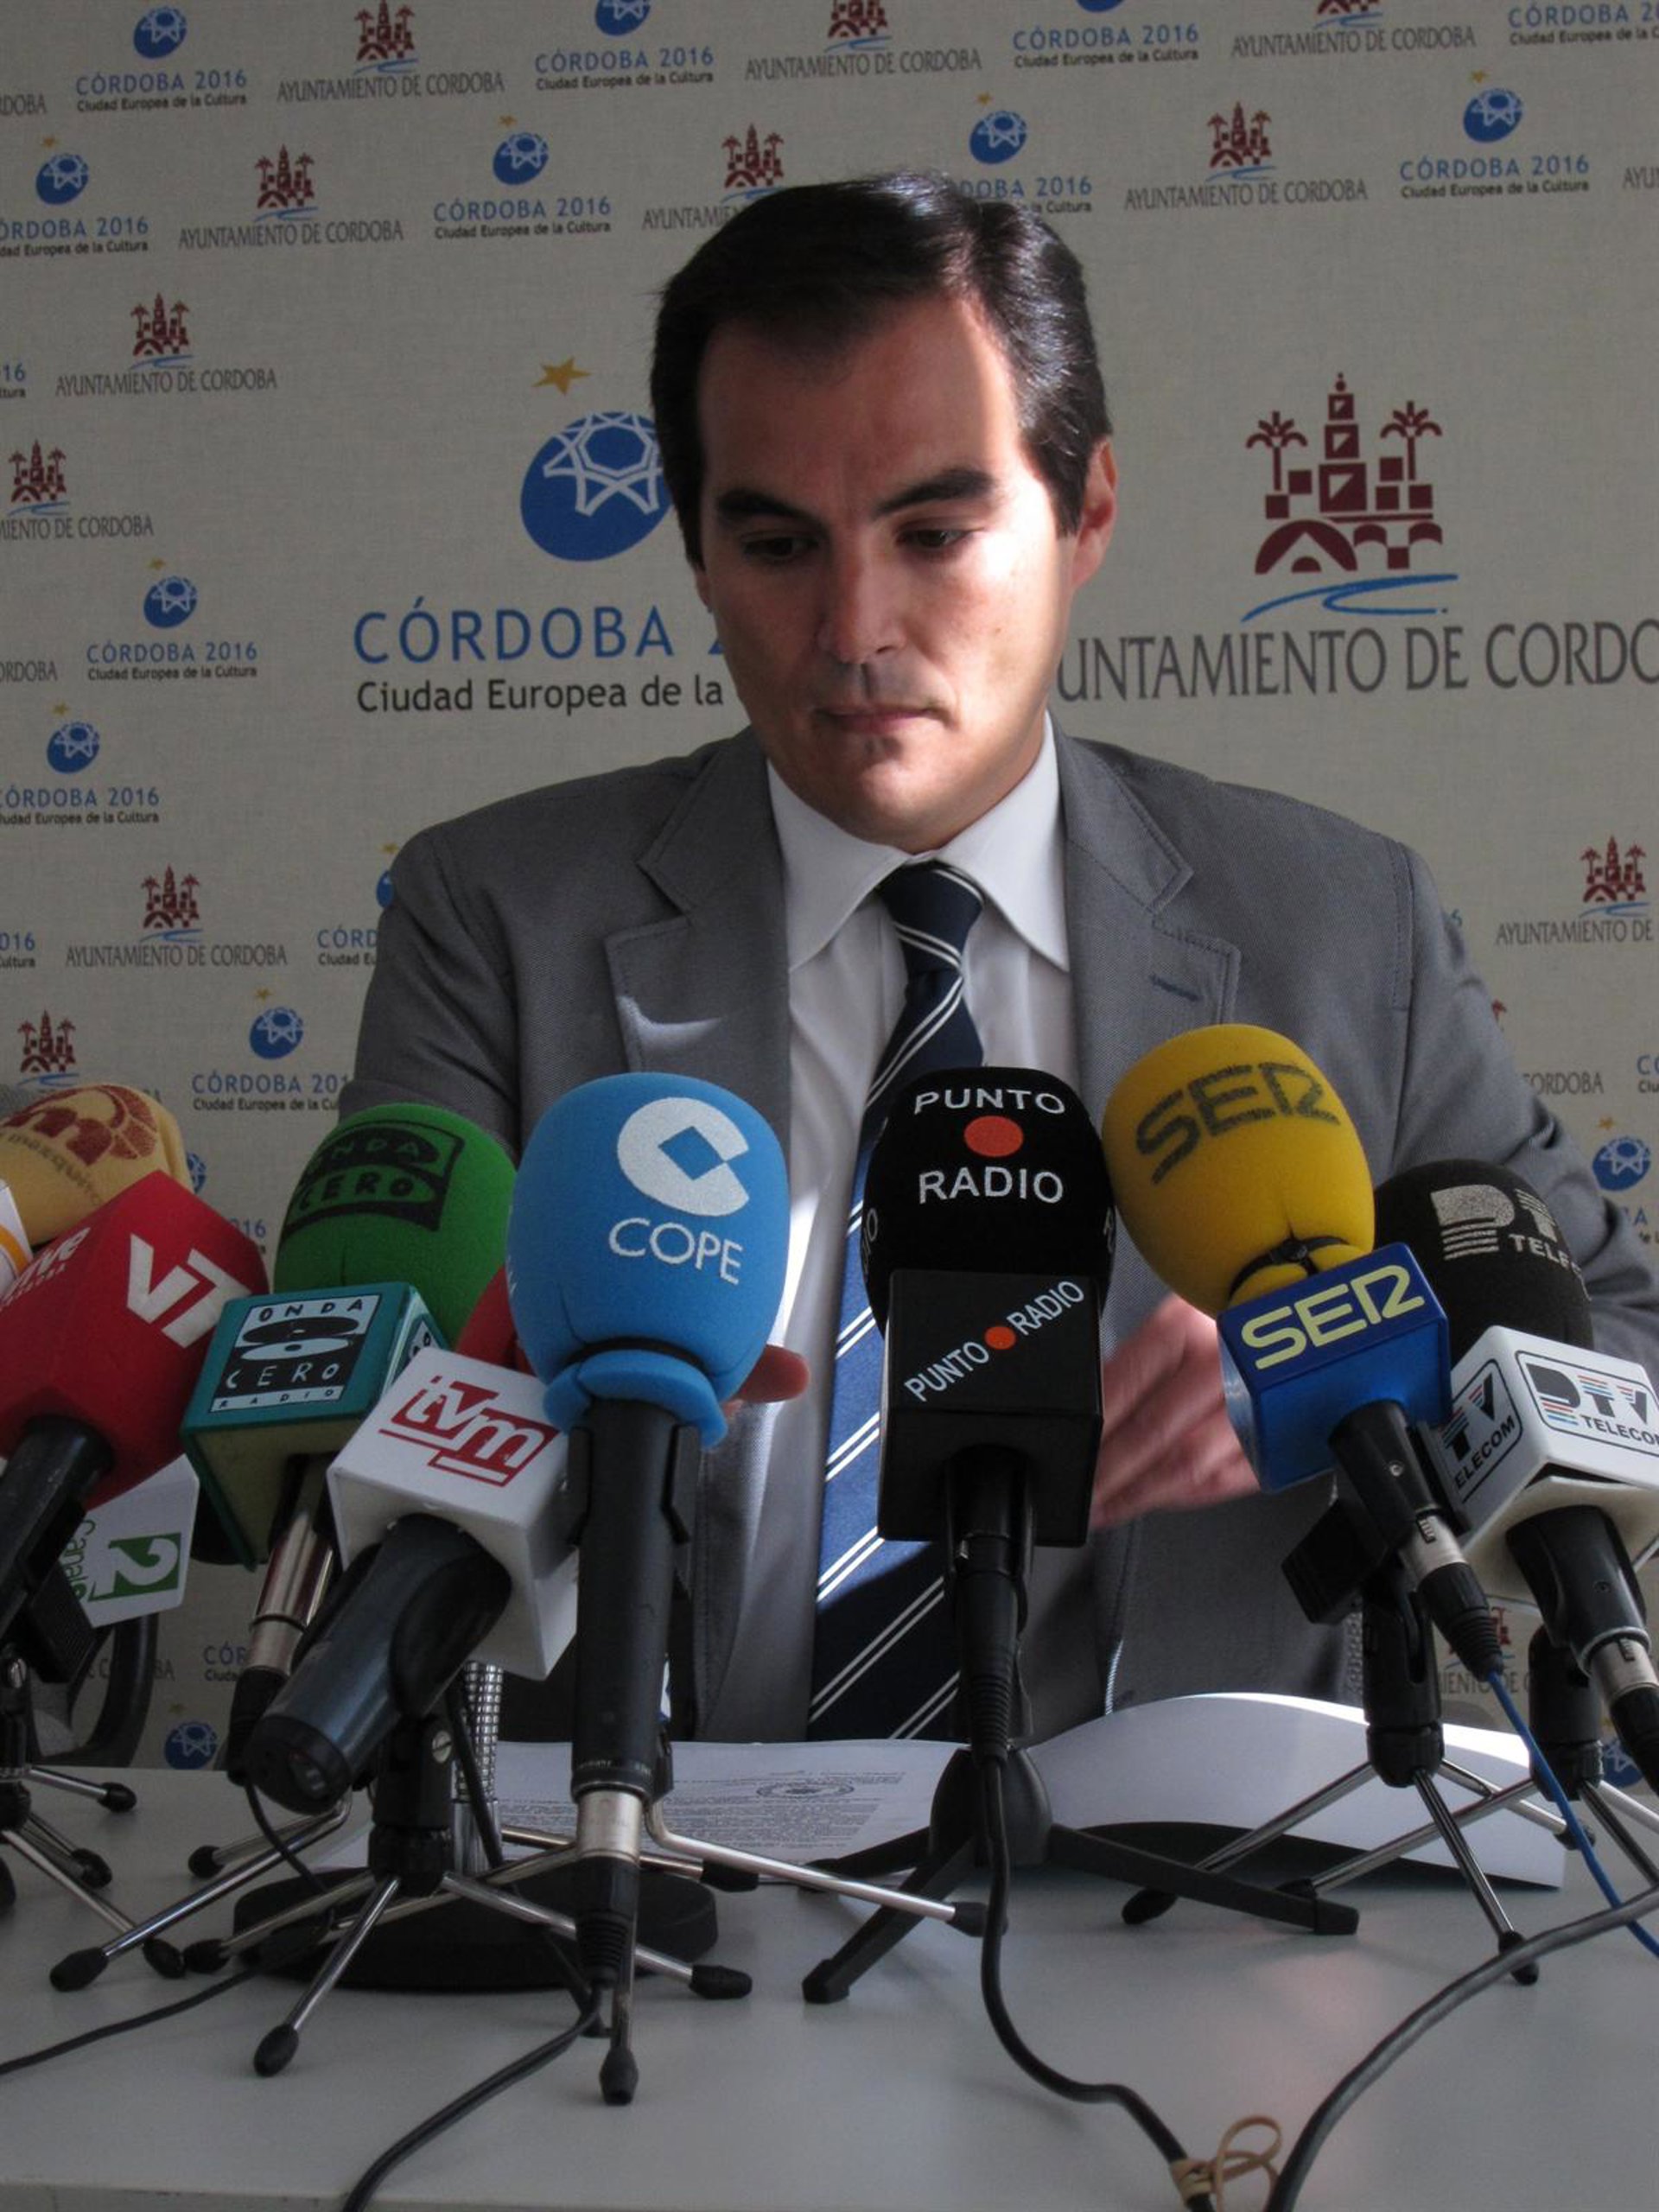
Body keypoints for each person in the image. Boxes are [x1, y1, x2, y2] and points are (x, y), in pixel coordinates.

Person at [342, 172, 1659, 1743]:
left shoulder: (1339, 922)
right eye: (777, 543)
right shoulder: (497, 915)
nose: (855, 629)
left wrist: (1339, 1364)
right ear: (693, 551)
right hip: (642, 1843)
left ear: (1086, 513)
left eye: (936, 532)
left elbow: (1618, 1344)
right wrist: (588, 1402)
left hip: (1191, 1860)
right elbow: (374, 1398)